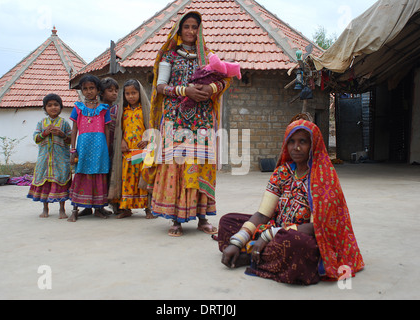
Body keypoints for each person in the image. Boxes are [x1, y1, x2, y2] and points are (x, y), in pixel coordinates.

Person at [219, 118, 365, 284]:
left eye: (302, 142)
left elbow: (316, 227)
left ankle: (250, 256)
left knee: (297, 246)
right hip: (275, 228)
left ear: (313, 145)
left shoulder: (324, 178)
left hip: (304, 235)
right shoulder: (283, 172)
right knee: (227, 222)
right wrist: (238, 241)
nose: (296, 148)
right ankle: (253, 252)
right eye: (291, 142)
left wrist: (268, 235)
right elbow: (262, 214)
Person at [144, 11, 231, 237]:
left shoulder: (209, 56)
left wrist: (212, 89)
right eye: (187, 27)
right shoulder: (169, 57)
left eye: (195, 27)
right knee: (177, 167)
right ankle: (176, 219)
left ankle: (202, 217)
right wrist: (185, 90)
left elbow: (225, 78)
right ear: (179, 30)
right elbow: (160, 87)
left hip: (202, 120)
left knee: (202, 165)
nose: (191, 31)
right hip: (176, 120)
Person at [68, 74, 112, 222]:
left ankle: (99, 208)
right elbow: (74, 129)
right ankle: (77, 209)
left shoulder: (104, 109)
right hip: (83, 147)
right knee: (81, 174)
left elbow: (106, 130)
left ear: (98, 89)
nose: (88, 91)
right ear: (81, 90)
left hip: (100, 147)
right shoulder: (78, 107)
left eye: (91, 88)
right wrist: (73, 149)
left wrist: (106, 147)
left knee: (98, 174)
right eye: (85, 89)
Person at [108, 79, 153, 219]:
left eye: (134, 93)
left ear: (140, 93)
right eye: (127, 93)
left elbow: (153, 127)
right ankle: (126, 209)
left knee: (143, 179)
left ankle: (148, 208)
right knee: (128, 179)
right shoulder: (123, 111)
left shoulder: (145, 110)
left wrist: (147, 139)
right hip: (127, 151)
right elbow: (118, 129)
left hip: (143, 151)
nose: (131, 96)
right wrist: (121, 141)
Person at [27, 93, 72, 219]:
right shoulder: (41, 123)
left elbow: (70, 140)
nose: (53, 108)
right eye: (50, 105)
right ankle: (45, 208)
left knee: (61, 183)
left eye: (56, 105)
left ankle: (62, 210)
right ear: (45, 108)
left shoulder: (64, 123)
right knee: (45, 185)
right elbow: (36, 139)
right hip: (44, 160)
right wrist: (45, 133)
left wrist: (62, 134)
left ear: (61, 107)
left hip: (60, 160)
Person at [100, 77, 120, 215]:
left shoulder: (118, 109)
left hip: (116, 146)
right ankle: (100, 204)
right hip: (101, 147)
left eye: (116, 91)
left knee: (115, 174)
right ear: (101, 93)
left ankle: (116, 203)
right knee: (103, 175)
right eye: (110, 90)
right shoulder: (99, 109)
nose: (114, 93)